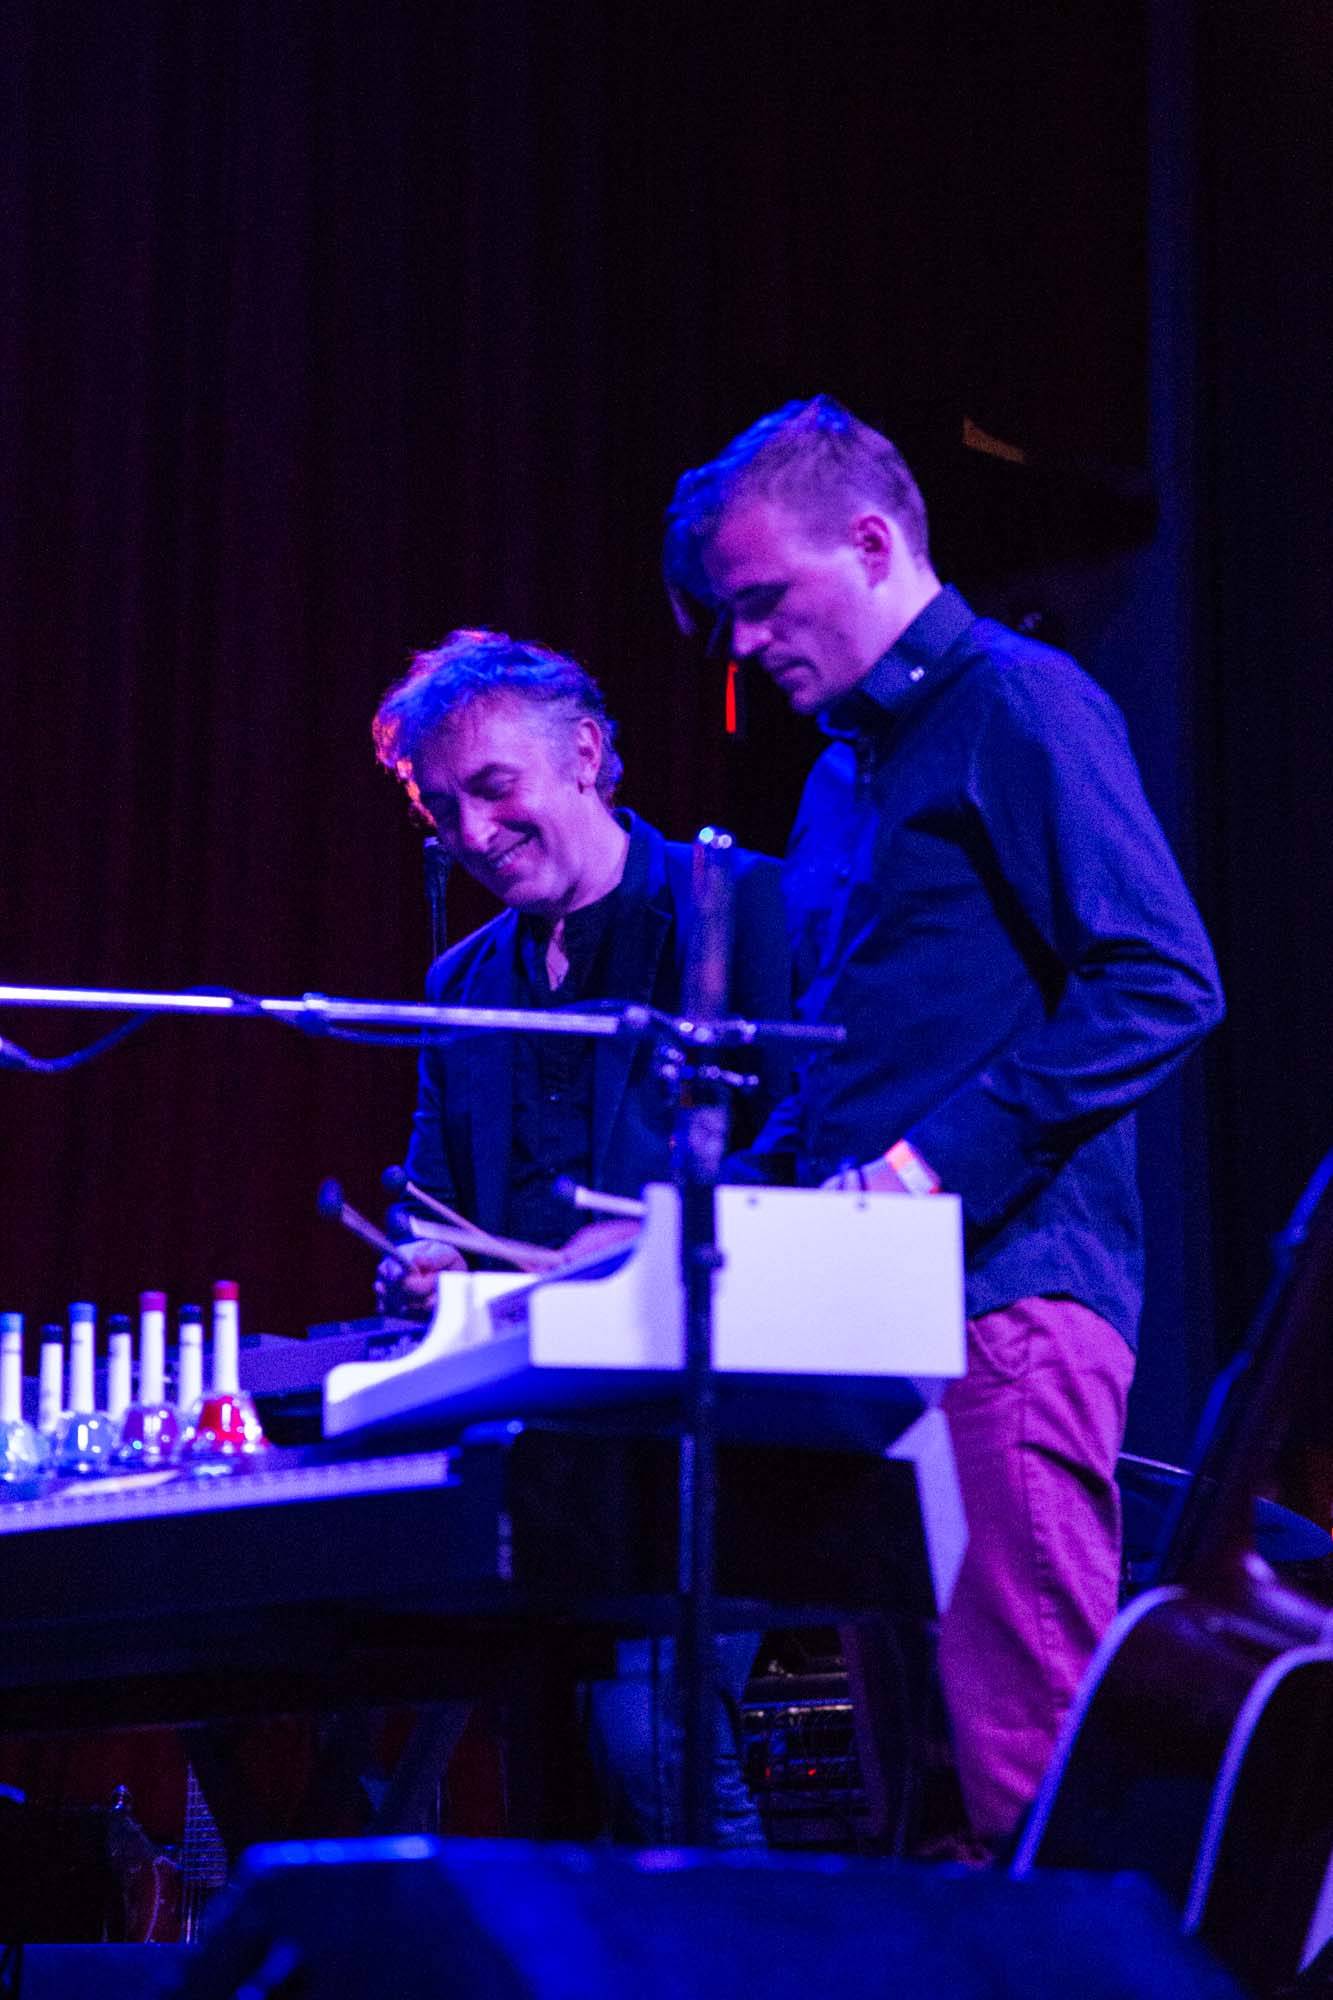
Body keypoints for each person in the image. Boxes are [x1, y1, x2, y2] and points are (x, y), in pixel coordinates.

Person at [664, 396, 1225, 1847]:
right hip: (869, 1324)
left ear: (871, 543)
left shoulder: (1020, 702)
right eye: (727, 617)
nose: (742, 646)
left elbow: (1163, 978)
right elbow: (843, 1061)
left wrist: (926, 1168)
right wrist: (710, 1218)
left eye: (761, 601)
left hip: (1003, 1305)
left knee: (1026, 1778)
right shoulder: (837, 774)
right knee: (911, 1800)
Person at [371, 627, 790, 1842]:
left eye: (494, 786)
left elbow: (812, 1139)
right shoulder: (462, 981)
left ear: (587, 755)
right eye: (443, 808)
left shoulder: (742, 908)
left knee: (650, 1741)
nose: (474, 830)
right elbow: (435, 1190)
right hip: (541, 1418)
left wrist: (660, 1237)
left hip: (704, 1397)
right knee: (552, 1773)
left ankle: (756, 1943)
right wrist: (425, 1260)